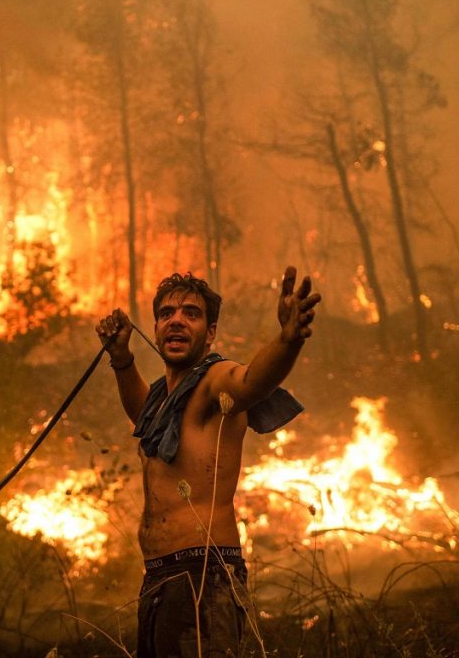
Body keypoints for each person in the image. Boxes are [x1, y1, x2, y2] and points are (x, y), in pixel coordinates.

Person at [96, 266, 321, 658]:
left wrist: (288, 340)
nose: (177, 321)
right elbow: (142, 417)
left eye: (191, 313)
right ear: (156, 326)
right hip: (160, 579)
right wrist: (121, 359)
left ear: (211, 332)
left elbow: (252, 381)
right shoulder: (162, 401)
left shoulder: (214, 382)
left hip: (203, 576)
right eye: (167, 313)